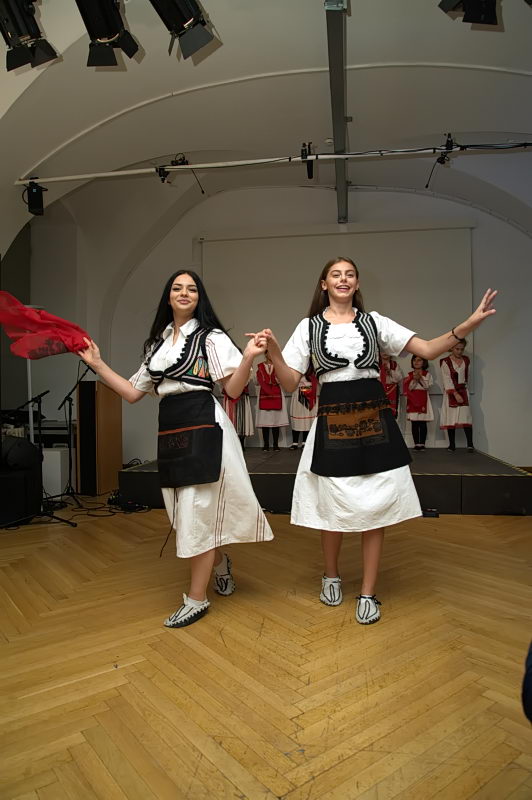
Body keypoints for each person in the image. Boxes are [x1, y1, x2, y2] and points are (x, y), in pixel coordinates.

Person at [251, 257, 497, 624]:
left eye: (349, 274)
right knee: (331, 506)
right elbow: (289, 382)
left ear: (357, 282)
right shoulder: (308, 327)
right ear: (323, 284)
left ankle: (368, 591)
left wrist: (468, 324)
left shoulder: (375, 322)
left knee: (376, 506)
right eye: (336, 274)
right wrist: (272, 350)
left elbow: (429, 349)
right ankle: (331, 575)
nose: (343, 279)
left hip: (374, 421)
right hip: (331, 421)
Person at [79, 270, 273, 628]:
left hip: (204, 425)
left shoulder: (211, 337)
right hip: (171, 428)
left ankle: (196, 599)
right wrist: (97, 364)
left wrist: (247, 357)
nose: (185, 293)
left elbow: (232, 390)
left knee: (196, 513)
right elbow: (133, 393)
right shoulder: (157, 345)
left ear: (200, 298)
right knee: (184, 514)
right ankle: (220, 563)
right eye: (178, 288)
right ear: (168, 296)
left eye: (192, 289)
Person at [440, 340, 474, 451]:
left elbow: (467, 376)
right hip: (451, 392)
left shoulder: (466, 360)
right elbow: (446, 379)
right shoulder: (445, 362)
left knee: (466, 416)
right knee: (451, 417)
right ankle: (452, 445)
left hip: (463, 391)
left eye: (462, 349)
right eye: (457, 349)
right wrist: (454, 393)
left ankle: (470, 444)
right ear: (451, 348)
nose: (459, 351)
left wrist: (463, 390)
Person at [255, 352, 289, 451]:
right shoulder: (260, 366)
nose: (271, 354)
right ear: (265, 354)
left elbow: (282, 380)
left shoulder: (278, 366)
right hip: (264, 395)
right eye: (269, 352)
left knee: (276, 420)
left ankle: (275, 444)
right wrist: (258, 377)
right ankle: (266, 444)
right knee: (265, 420)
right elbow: (256, 382)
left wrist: (278, 377)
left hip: (276, 394)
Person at [403, 355, 434, 450]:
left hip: (423, 399)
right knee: (414, 422)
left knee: (422, 422)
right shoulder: (409, 375)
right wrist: (414, 379)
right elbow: (409, 388)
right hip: (413, 399)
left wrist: (420, 378)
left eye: (419, 360)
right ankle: (416, 444)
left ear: (424, 362)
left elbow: (427, 386)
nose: (416, 362)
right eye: (414, 360)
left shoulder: (427, 374)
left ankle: (422, 443)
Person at [289, 370, 318, 449]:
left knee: (307, 421)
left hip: (310, 397)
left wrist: (304, 387)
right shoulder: (296, 370)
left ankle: (305, 442)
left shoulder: (312, 371)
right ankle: (295, 442)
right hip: (298, 396)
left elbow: (315, 384)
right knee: (297, 420)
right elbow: (291, 383)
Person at [222, 382, 254, 449]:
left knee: (242, 419)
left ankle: (241, 443)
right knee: (230, 418)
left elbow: (246, 381)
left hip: (241, 395)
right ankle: (232, 443)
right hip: (229, 394)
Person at [379, 353, 403, 419]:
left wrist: (390, 372)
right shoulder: (376, 364)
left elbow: (399, 378)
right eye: (383, 351)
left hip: (392, 391)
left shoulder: (394, 365)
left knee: (391, 415)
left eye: (387, 350)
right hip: (379, 390)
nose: (385, 353)